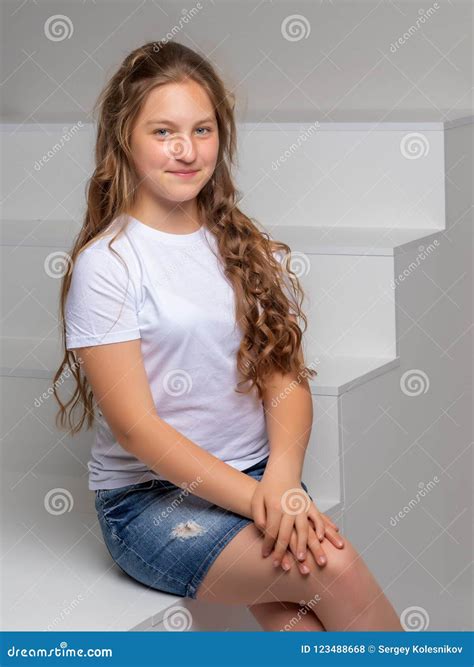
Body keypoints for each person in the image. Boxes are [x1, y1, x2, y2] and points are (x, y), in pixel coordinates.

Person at [53, 40, 402, 632]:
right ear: (124, 141)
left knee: (297, 623)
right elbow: (138, 430)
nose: (187, 151)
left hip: (263, 477)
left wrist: (284, 481)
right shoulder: (109, 264)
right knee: (331, 567)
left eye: (203, 129)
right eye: (164, 132)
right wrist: (259, 501)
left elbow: (283, 376)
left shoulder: (240, 243)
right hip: (152, 505)